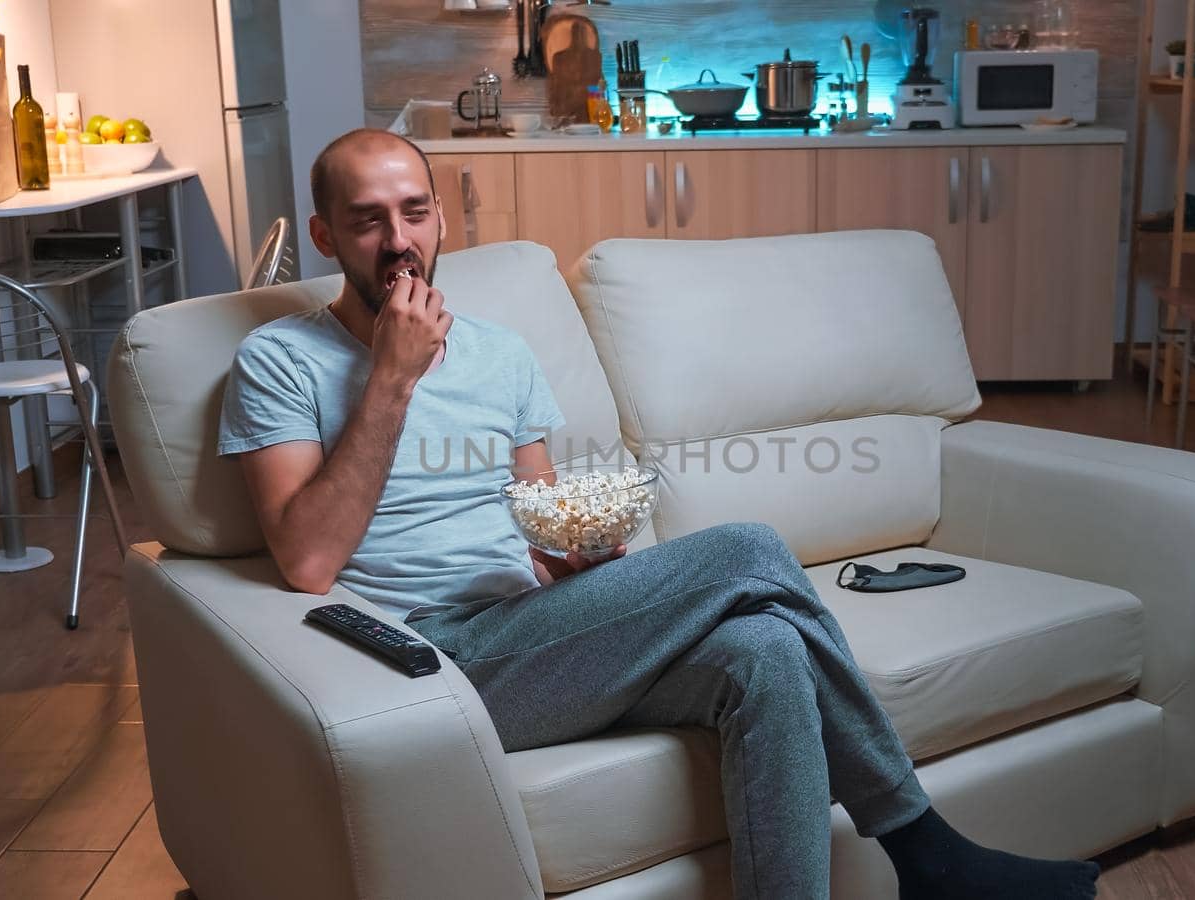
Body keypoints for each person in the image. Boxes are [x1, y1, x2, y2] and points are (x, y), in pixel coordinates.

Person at [218, 127, 1100, 900]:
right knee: (750, 550)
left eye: (414, 212)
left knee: (766, 647)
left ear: (443, 219)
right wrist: (392, 379)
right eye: (369, 220)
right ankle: (927, 849)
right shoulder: (280, 361)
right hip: (426, 659)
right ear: (329, 235)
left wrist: (574, 555)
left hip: (531, 628)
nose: (398, 240)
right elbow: (307, 562)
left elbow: (539, 520)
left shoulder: (502, 354)